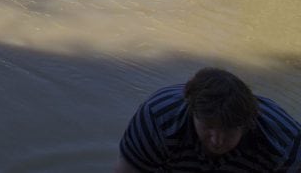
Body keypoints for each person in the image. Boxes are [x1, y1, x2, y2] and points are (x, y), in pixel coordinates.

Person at [116, 67, 301, 172]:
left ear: (248, 123)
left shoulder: (284, 140)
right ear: (192, 111)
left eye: (229, 130)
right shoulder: (159, 117)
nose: (217, 140)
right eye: (208, 127)